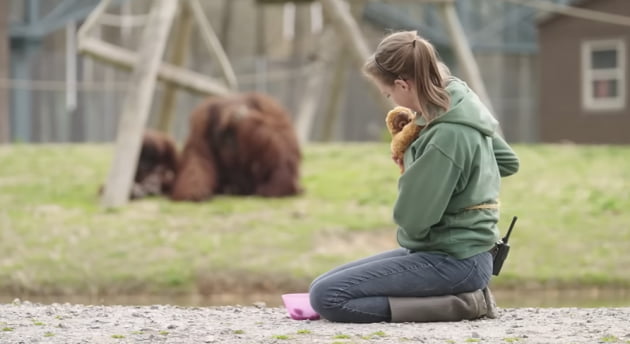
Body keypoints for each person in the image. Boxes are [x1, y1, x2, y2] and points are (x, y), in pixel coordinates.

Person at [308, 30, 520, 323]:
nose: (391, 99)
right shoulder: (460, 104)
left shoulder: (445, 136)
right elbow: (508, 162)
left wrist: (422, 158)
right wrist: (461, 179)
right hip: (463, 253)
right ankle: (458, 296)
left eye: (388, 93)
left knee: (328, 297)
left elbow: (413, 221)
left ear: (402, 84)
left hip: (455, 260)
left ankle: (467, 304)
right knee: (320, 286)